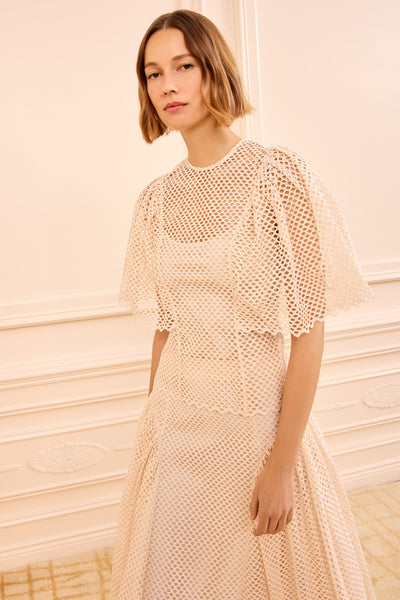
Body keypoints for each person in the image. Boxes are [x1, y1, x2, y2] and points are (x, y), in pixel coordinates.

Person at [110, 9, 377, 600]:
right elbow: (166, 328)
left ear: (214, 70)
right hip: (174, 427)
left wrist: (281, 465)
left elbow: (308, 331)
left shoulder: (278, 177)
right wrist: (151, 427)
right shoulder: (155, 201)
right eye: (153, 73)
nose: (168, 85)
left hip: (257, 427)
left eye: (184, 66)